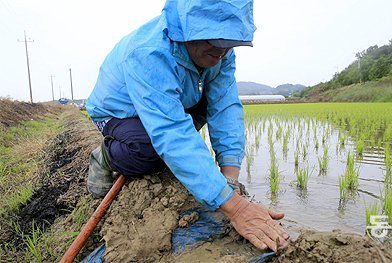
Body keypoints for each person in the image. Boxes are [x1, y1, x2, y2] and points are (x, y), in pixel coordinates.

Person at [85, 0, 289, 252]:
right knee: (148, 149)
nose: (222, 51)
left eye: (229, 43)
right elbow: (171, 131)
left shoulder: (221, 52)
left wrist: (230, 182)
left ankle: (199, 175)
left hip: (171, 103)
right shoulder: (149, 52)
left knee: (202, 114)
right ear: (186, 30)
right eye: (213, 41)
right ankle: (106, 155)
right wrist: (235, 208)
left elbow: (225, 106)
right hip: (120, 113)